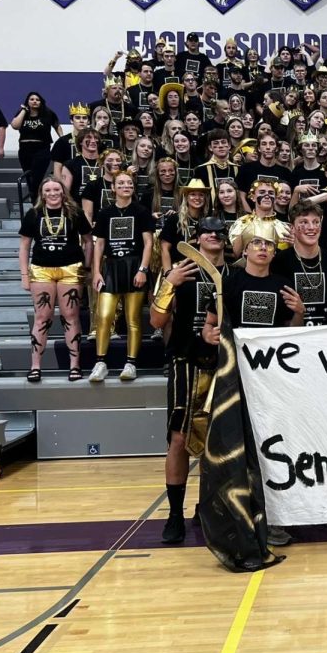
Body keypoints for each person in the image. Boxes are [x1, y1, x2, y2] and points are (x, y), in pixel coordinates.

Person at [150, 217, 231, 545]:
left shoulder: (236, 272)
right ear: (196, 238)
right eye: (206, 231)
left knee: (221, 439)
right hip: (185, 361)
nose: (212, 235)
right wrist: (169, 283)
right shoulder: (180, 271)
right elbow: (156, 320)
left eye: (218, 231)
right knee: (180, 439)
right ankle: (174, 514)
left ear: (226, 238)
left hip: (225, 363)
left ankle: (209, 505)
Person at [17, 176, 90, 382]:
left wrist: (88, 266)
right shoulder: (34, 214)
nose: (52, 194)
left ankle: (74, 366)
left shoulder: (75, 212)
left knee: (71, 316)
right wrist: (24, 274)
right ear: (42, 193)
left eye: (56, 189)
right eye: (47, 190)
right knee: (42, 317)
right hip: (41, 269)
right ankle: (35, 366)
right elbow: (24, 246)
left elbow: (88, 241)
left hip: (71, 268)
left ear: (63, 191)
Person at [89, 171, 154, 382]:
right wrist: (96, 271)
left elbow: (148, 243)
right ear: (113, 188)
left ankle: (131, 363)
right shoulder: (104, 213)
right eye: (121, 183)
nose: (126, 186)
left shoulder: (141, 211)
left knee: (133, 319)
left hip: (134, 265)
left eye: (129, 183)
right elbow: (99, 245)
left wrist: (143, 269)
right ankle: (100, 362)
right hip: (111, 267)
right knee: (104, 316)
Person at [271, 202, 327, 327]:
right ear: (292, 228)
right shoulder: (279, 263)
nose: (311, 227)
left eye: (316, 222)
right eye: (304, 222)